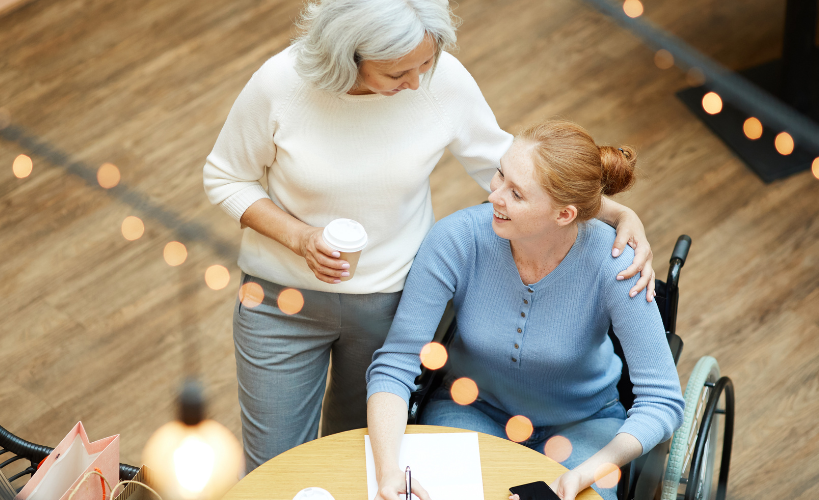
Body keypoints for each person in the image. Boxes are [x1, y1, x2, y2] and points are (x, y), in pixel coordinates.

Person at [202, 0, 658, 473]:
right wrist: (299, 238)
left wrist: (617, 212)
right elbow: (224, 177)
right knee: (274, 469)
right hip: (280, 303)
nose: (418, 82)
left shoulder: (442, 81)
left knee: (355, 460)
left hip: (389, 304)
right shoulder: (282, 85)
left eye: (427, 61)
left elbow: (521, 173)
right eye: (398, 72)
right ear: (348, 56)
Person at [365, 120, 685, 500]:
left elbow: (662, 401)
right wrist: (387, 473)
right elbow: (395, 363)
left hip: (583, 425)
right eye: (500, 175)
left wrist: (589, 471)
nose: (494, 195)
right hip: (471, 408)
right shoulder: (456, 239)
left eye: (516, 193)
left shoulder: (617, 265)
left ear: (564, 214)